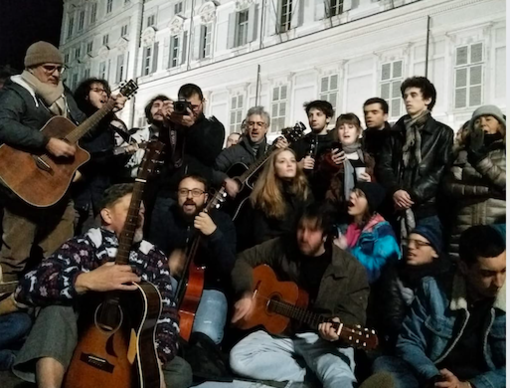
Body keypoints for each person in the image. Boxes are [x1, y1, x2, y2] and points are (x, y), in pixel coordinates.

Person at [0, 184, 192, 388]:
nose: (139, 216)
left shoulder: (154, 258)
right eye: (131, 210)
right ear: (107, 215)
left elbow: (167, 315)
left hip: (125, 350)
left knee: (181, 371)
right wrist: (84, 281)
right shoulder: (85, 245)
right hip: (79, 344)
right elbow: (29, 286)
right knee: (57, 308)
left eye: (142, 211)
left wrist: (154, 359)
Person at [0, 42, 125, 285]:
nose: (56, 74)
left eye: (59, 68)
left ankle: (50, 306)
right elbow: (3, 124)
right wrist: (46, 142)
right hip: (24, 184)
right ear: (32, 67)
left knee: (62, 253)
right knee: (15, 255)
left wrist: (108, 111)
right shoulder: (17, 91)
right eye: (49, 68)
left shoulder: (62, 93)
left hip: (56, 186)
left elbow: (83, 131)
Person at [229, 205, 370, 388]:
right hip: (282, 335)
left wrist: (337, 328)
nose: (304, 236)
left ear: (326, 236)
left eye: (312, 231)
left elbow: (354, 316)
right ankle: (313, 378)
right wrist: (246, 292)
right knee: (238, 358)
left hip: (321, 340)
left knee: (338, 377)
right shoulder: (284, 246)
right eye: (301, 229)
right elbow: (243, 259)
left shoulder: (352, 270)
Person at [372, 225, 506, 388]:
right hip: (435, 377)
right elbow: (409, 341)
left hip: (483, 382)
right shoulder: (433, 289)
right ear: (464, 267)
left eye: (504, 271)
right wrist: (434, 377)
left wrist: (469, 385)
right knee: (385, 363)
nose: (499, 282)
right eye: (487, 274)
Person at [148, 175, 236, 345]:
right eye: (183, 191)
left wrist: (214, 234)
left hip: (210, 288)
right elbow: (151, 256)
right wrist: (165, 262)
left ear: (206, 197)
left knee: (206, 336)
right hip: (173, 281)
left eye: (196, 192)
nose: (189, 197)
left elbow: (228, 267)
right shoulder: (167, 218)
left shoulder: (223, 222)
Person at [376, 76, 454, 240]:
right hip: (395, 205)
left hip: (427, 207)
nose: (407, 100)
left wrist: (413, 194)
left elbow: (440, 169)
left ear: (427, 99)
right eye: (405, 96)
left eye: (413, 95)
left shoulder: (442, 132)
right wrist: (395, 190)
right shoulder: (396, 132)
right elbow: (384, 165)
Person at [376, 219, 449, 350]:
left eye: (419, 244)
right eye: (408, 242)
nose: (410, 247)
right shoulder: (394, 274)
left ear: (435, 251)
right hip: (401, 344)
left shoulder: (446, 279)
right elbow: (393, 318)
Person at [444, 105, 506, 261]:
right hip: (465, 225)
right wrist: (486, 190)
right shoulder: (463, 153)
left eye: (488, 119)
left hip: (498, 224)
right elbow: (451, 186)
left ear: (500, 124)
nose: (483, 123)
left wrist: (481, 161)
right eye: (477, 121)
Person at [72, 77, 130, 234]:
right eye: (97, 90)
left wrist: (125, 154)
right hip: (75, 195)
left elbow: (109, 163)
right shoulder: (76, 121)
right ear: (85, 95)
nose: (103, 94)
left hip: (98, 197)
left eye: (106, 91)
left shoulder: (110, 127)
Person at [236, 148, 312, 251]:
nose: (289, 164)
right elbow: (260, 237)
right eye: (282, 161)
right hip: (272, 253)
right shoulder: (263, 197)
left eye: (292, 161)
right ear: (274, 168)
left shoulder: (304, 191)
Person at [335, 182, 400, 284]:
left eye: (359, 195)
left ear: (369, 204)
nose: (351, 195)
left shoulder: (383, 232)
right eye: (353, 191)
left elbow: (379, 269)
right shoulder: (343, 224)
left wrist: (346, 251)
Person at [321, 113, 375, 221]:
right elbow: (320, 183)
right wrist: (330, 165)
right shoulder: (330, 155)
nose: (346, 131)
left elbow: (375, 189)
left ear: (358, 131)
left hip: (361, 215)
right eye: (341, 128)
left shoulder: (367, 158)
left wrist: (370, 181)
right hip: (336, 214)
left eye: (350, 127)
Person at [212, 107, 272, 196]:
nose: (255, 127)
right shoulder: (233, 151)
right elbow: (212, 170)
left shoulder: (271, 151)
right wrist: (225, 180)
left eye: (260, 124)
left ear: (266, 128)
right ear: (247, 127)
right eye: (251, 123)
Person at [291, 100, 335, 200]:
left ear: (328, 118)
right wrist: (298, 166)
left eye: (318, 115)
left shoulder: (334, 144)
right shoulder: (299, 143)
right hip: (301, 198)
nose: (313, 119)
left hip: (327, 200)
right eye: (310, 115)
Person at [120, 94, 171, 180]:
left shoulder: (175, 138)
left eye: (164, 107)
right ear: (149, 110)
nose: (159, 109)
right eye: (156, 105)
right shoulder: (134, 134)